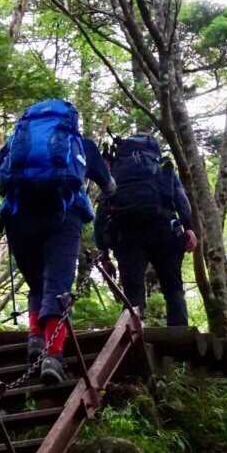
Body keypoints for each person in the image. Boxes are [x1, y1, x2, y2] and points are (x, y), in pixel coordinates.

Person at [0, 98, 113, 384]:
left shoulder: (17, 143)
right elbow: (110, 186)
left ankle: (35, 340)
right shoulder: (82, 144)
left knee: (37, 283)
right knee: (58, 284)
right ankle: (53, 356)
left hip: (18, 218)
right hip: (63, 217)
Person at [96, 133, 196, 326]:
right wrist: (189, 227)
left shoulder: (115, 171)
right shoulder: (163, 167)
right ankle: (179, 333)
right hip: (164, 231)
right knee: (173, 288)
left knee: (132, 293)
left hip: (126, 234)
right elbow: (181, 199)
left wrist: (104, 251)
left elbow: (102, 211)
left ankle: (131, 335)